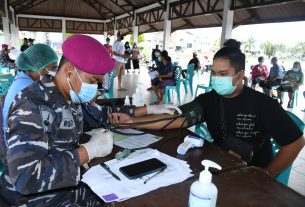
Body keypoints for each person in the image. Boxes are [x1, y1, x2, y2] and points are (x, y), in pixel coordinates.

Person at [110, 39, 305, 178]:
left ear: (240, 75)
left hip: (250, 173)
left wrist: (267, 173)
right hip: (220, 168)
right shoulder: (210, 100)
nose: (216, 79)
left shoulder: (263, 104)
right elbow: (176, 119)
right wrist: (131, 121)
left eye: (223, 73)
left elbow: (296, 142)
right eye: (213, 73)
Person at [0, 35, 116, 206]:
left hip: (62, 187)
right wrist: (88, 151)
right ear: (69, 70)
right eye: (92, 81)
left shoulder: (69, 95)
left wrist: (148, 110)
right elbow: (26, 178)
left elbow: (98, 114)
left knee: (114, 194)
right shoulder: (32, 104)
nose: (95, 88)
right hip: (32, 199)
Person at [2, 43, 58, 147]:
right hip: (17, 148)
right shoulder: (28, 89)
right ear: (37, 67)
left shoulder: (22, 79)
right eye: (53, 68)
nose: (54, 72)